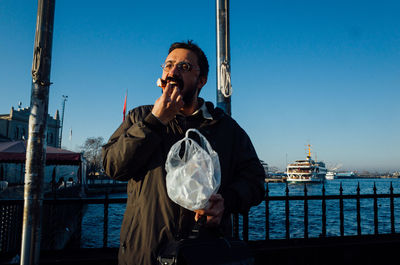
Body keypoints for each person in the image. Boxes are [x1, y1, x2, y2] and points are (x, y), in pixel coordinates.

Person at [102, 40, 265, 265]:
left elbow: (255, 180)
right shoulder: (139, 118)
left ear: (202, 80)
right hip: (144, 255)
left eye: (185, 67)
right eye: (168, 65)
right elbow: (112, 166)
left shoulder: (225, 127)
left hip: (203, 253)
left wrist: (226, 201)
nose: (173, 71)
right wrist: (154, 122)